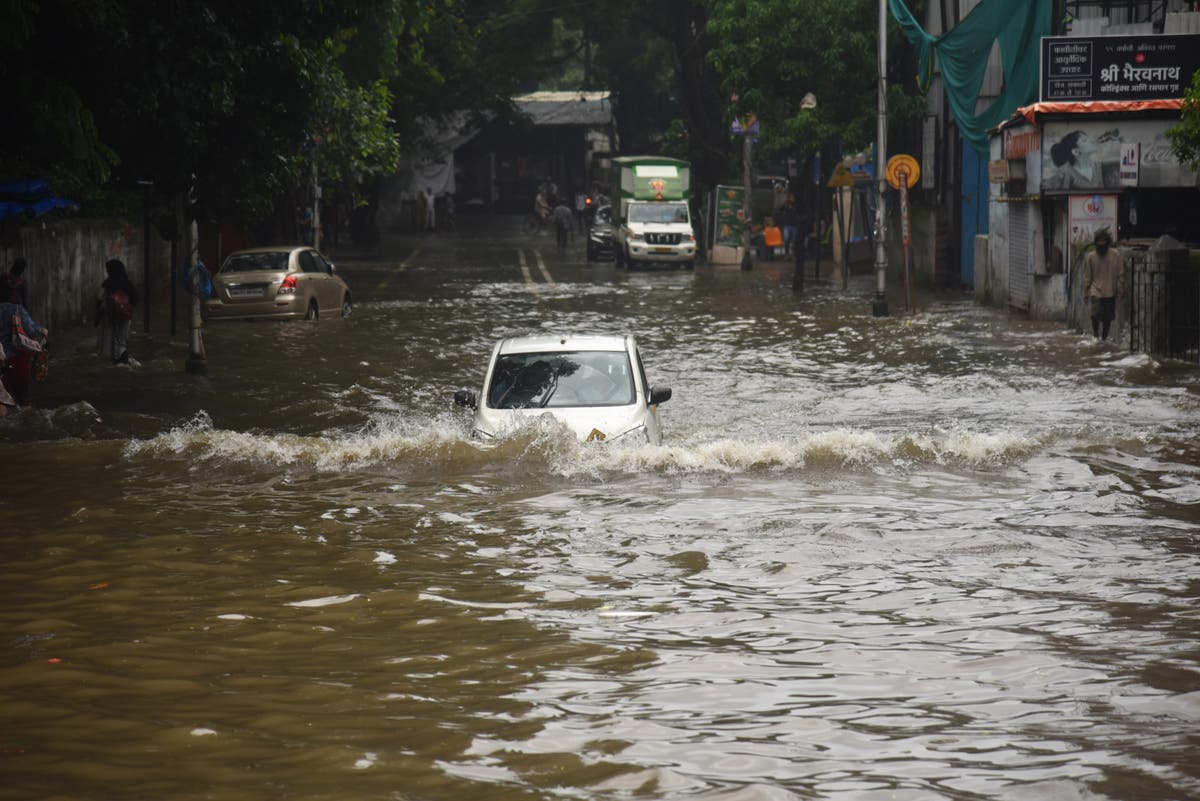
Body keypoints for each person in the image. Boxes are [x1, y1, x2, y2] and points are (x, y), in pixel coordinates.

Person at [0, 272, 47, 408]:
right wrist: (42, 330)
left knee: (6, 402)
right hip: (17, 360)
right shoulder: (16, 309)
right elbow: (33, 329)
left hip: (1, 361)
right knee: (23, 402)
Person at [1083, 228, 1124, 341]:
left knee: (1107, 319)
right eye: (1099, 241)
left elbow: (1121, 274)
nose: (1101, 244)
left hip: (1110, 292)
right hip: (1095, 291)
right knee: (1095, 315)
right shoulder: (1091, 256)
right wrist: (1086, 293)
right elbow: (1087, 276)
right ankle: (1095, 336)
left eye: (1103, 241)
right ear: (1095, 242)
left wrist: (1120, 288)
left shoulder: (1115, 255)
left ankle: (1104, 339)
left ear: (1107, 241)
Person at [97, 258, 140, 364]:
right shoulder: (127, 283)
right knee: (122, 339)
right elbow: (135, 298)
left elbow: (100, 301)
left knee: (113, 339)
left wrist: (97, 317)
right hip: (126, 316)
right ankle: (123, 357)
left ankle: (118, 360)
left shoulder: (108, 284)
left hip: (112, 317)